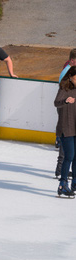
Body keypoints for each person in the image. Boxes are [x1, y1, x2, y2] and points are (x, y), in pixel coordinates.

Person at [54, 66, 76, 198]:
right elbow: (56, 103)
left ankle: (74, 182)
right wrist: (66, 101)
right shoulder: (64, 89)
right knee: (69, 156)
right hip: (66, 127)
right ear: (71, 77)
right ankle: (62, 184)